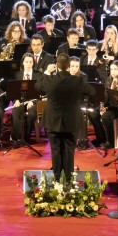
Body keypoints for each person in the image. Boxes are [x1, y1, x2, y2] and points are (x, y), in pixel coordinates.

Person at [36, 53, 88, 182]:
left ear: (57, 66)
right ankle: (69, 179)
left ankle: (57, 178)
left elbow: (37, 86)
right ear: (69, 66)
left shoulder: (49, 80)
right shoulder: (78, 81)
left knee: (55, 150)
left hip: (53, 121)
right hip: (72, 121)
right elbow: (91, 91)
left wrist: (47, 72)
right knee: (69, 150)